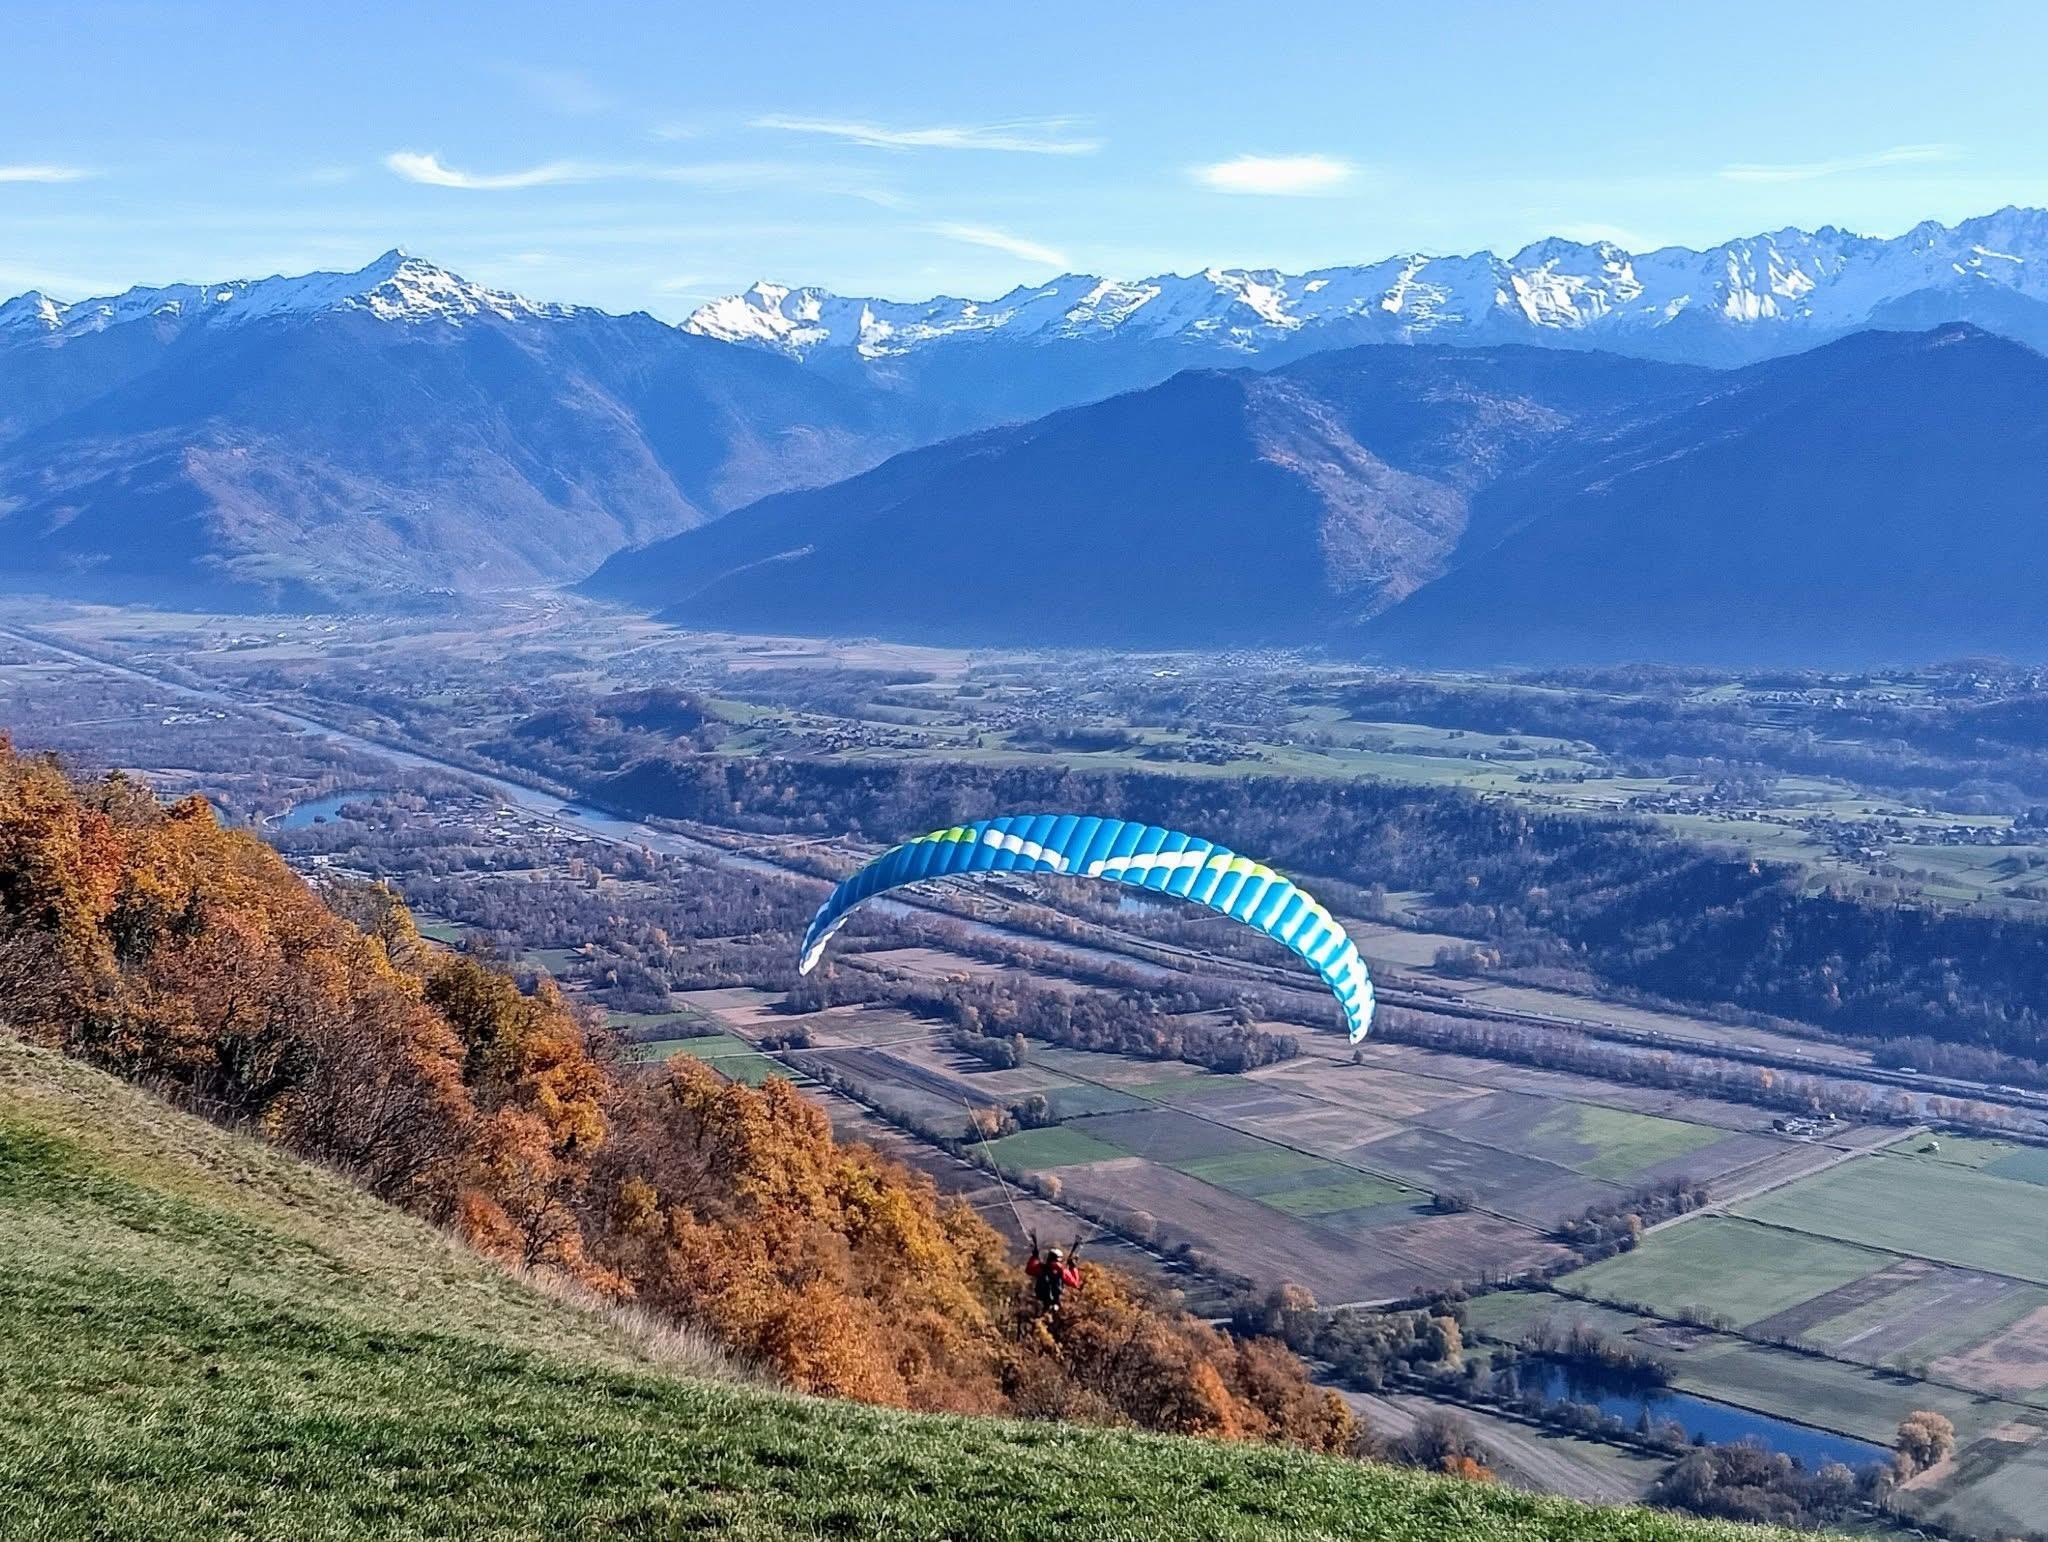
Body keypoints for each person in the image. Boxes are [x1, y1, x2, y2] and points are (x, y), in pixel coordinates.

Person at [1026, 1236, 1082, 1312]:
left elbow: (1029, 1270)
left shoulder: (1042, 1268)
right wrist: (1073, 1267)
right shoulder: (1062, 1270)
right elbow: (1075, 1283)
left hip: (1040, 1297)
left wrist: (1034, 1257)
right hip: (1055, 1299)